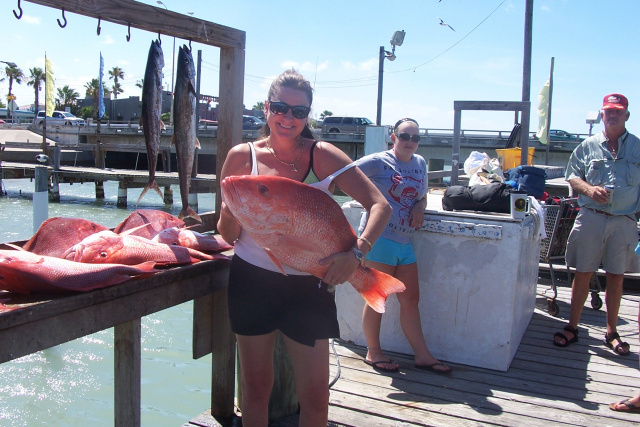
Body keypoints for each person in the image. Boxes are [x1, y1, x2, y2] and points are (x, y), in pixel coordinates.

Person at [216, 69, 392, 426]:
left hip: (309, 286)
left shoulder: (322, 155)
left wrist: (356, 253)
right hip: (251, 283)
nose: (288, 118)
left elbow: (380, 206)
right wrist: (230, 211)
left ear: (308, 115)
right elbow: (227, 236)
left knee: (315, 394)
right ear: (266, 108)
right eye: (280, 108)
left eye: (299, 111)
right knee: (254, 387)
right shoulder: (241, 157)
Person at [354, 118, 452, 374]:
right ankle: (373, 352)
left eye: (415, 138)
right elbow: (344, 176)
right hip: (380, 238)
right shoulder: (378, 161)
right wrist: (370, 203)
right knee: (378, 297)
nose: (410, 142)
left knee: (411, 298)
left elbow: (422, 194)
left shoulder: (420, 163)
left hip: (405, 241)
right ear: (393, 136)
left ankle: (423, 355)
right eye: (404, 136)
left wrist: (420, 206)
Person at [553, 93, 640, 356]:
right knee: (583, 273)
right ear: (602, 115)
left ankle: (612, 332)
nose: (612, 115)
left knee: (616, 276)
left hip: (624, 220)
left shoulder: (637, 146)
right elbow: (572, 177)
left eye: (617, 111)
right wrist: (590, 190)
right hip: (591, 217)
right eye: (608, 111)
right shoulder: (587, 146)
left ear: (626, 115)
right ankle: (572, 326)